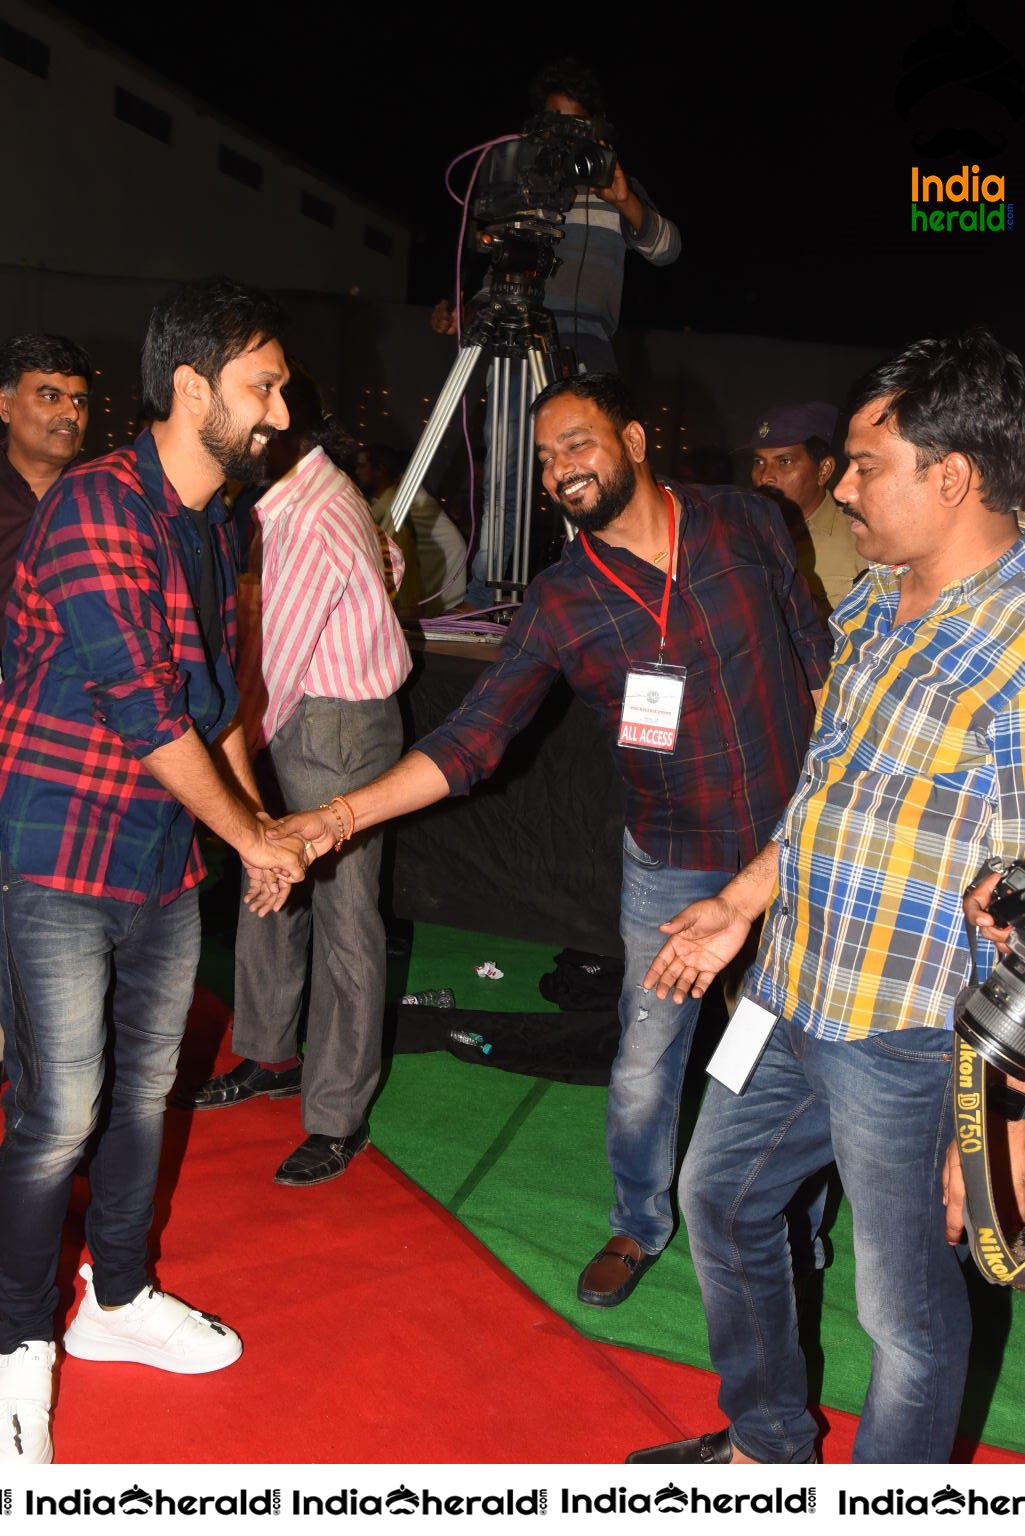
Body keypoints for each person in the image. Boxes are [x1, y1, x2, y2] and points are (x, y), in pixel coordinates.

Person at [269, 372, 831, 1306]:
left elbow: (817, 663)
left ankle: (795, 1233)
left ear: (636, 441)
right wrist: (332, 819)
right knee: (648, 1061)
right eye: (544, 458)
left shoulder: (746, 524)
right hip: (670, 860)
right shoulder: (564, 601)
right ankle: (638, 1222)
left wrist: (825, 818)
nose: (560, 468)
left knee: (790, 1056)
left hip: (792, 847)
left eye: (577, 442)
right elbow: (469, 741)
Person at [628, 328, 1025, 1466]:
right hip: (791, 989)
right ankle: (765, 1447)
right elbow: (825, 792)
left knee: (902, 1316)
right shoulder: (874, 597)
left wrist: (993, 1127)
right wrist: (747, 900)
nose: (837, 486)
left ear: (949, 476)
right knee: (721, 1199)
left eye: (861, 463)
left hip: (907, 1039)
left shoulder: (1011, 649)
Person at [0, 275, 309, 1466]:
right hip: (57, 847)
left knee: (141, 1100)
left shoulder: (217, 518)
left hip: (161, 862)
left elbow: (216, 701)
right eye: (261, 387)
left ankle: (117, 1302)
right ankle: (21, 1348)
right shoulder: (91, 509)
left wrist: (259, 825)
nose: (279, 410)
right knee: (54, 1115)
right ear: (190, 387)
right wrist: (248, 837)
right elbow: (139, 704)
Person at [177, 366, 412, 1186]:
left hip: (331, 729)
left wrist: (231, 784)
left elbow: (269, 673)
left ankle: (338, 1113)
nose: (243, 434)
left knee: (345, 922)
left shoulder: (307, 515)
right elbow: (387, 565)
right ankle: (270, 1054)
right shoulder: (305, 497)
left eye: (257, 417)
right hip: (313, 719)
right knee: (269, 889)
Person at [436, 57, 681, 609]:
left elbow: (667, 248)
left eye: (574, 124)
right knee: (508, 467)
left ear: (595, 128)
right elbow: (500, 269)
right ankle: (489, 592)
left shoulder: (616, 187)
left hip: (588, 343)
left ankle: (606, 591)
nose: (561, 138)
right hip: (517, 338)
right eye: (551, 123)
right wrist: (467, 306)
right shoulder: (521, 189)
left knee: (600, 467)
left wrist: (624, 201)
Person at [0, 334, 92, 649]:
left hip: (78, 688)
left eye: (80, 400)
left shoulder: (105, 496)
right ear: (5, 406)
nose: (72, 413)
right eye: (51, 396)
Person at [748, 401, 864, 620]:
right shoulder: (741, 534)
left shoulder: (861, 540)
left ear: (823, 471)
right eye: (758, 461)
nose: (765, 476)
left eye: (784, 461)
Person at [355, 442, 467, 613]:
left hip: (438, 585)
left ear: (380, 469)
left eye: (363, 466)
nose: (358, 472)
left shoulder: (400, 504)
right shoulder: (392, 501)